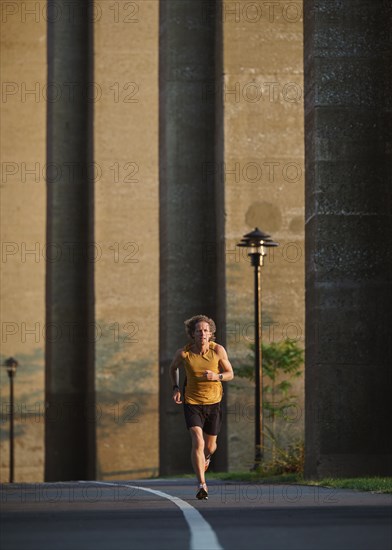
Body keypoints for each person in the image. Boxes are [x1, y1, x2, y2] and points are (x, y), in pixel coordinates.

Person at [169, 314, 234, 500]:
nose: (203, 334)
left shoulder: (218, 350)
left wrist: (217, 377)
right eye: (199, 331)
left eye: (206, 331)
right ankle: (201, 484)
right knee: (198, 441)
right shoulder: (184, 353)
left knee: (211, 446)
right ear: (192, 334)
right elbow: (173, 368)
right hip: (192, 403)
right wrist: (175, 387)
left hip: (214, 403)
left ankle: (206, 458)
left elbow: (230, 373)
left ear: (211, 333)